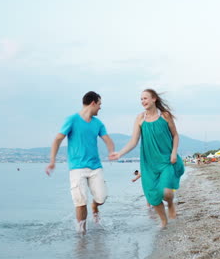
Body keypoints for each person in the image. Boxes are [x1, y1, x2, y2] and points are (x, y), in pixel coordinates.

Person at [110, 89, 185, 228]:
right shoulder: (140, 118)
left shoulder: (165, 116)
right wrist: (120, 153)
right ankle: (163, 221)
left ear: (154, 99)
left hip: (166, 160)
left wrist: (174, 152)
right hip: (149, 163)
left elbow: (175, 135)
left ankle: (170, 205)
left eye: (145, 98)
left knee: (167, 191)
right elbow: (134, 141)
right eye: (141, 99)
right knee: (153, 195)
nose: (143, 101)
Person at [45, 91, 115, 234]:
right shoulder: (72, 120)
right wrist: (52, 160)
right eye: (99, 104)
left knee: (101, 197)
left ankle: (95, 206)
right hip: (77, 168)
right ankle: (81, 234)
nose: (100, 108)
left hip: (95, 167)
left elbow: (107, 139)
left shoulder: (98, 123)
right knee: (80, 201)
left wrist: (111, 151)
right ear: (93, 103)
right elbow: (58, 139)